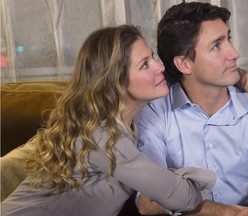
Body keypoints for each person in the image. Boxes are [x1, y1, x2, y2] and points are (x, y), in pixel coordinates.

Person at [1, 25, 217, 216]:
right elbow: (182, 198)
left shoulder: (130, 117)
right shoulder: (103, 136)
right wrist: (175, 176)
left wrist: (247, 79)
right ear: (116, 83)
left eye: (153, 57)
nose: (159, 67)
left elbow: (204, 75)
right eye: (145, 64)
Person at [136, 2, 248, 216]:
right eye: (217, 46)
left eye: (229, 39)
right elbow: (148, 201)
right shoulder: (154, 111)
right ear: (184, 64)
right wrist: (229, 213)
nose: (234, 53)